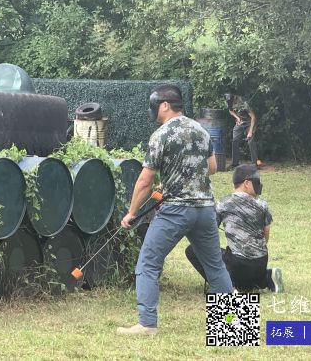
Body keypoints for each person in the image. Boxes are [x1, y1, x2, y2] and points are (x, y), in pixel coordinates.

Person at [117, 84, 234, 336]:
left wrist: (131, 213)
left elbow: (145, 181)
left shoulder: (161, 135)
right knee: (215, 267)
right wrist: (180, 177)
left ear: (165, 105)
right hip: (205, 209)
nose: (152, 110)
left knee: (148, 264)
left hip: (175, 211)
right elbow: (212, 168)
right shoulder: (201, 130)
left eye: (154, 105)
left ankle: (147, 324)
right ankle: (234, 326)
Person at [185, 164, 283, 293]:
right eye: (257, 181)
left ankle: (227, 286)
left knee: (192, 250)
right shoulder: (263, 205)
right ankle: (267, 277)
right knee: (248, 281)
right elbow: (266, 236)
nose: (259, 184)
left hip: (237, 266)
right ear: (246, 183)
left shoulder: (223, 204)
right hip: (261, 263)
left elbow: (210, 231)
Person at [226, 92, 261, 168]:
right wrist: (237, 118)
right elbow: (230, 111)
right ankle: (235, 163)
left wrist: (250, 131)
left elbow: (253, 117)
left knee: (250, 141)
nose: (230, 102)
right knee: (235, 140)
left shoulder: (243, 103)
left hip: (249, 122)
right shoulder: (229, 101)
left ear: (234, 97)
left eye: (231, 100)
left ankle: (254, 164)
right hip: (240, 122)